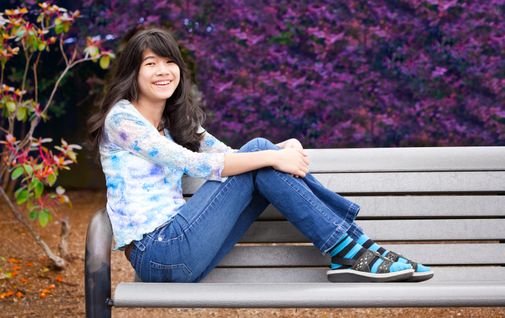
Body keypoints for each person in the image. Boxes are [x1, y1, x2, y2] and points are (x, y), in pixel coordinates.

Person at [88, 27, 433, 283]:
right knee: (260, 153)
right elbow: (195, 163)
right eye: (151, 63)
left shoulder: (171, 119)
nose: (163, 71)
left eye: (169, 62)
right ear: (133, 72)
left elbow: (229, 155)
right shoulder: (123, 120)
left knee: (260, 155)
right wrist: (269, 155)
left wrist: (279, 150)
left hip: (182, 249)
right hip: (159, 252)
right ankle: (353, 249)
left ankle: (354, 249)